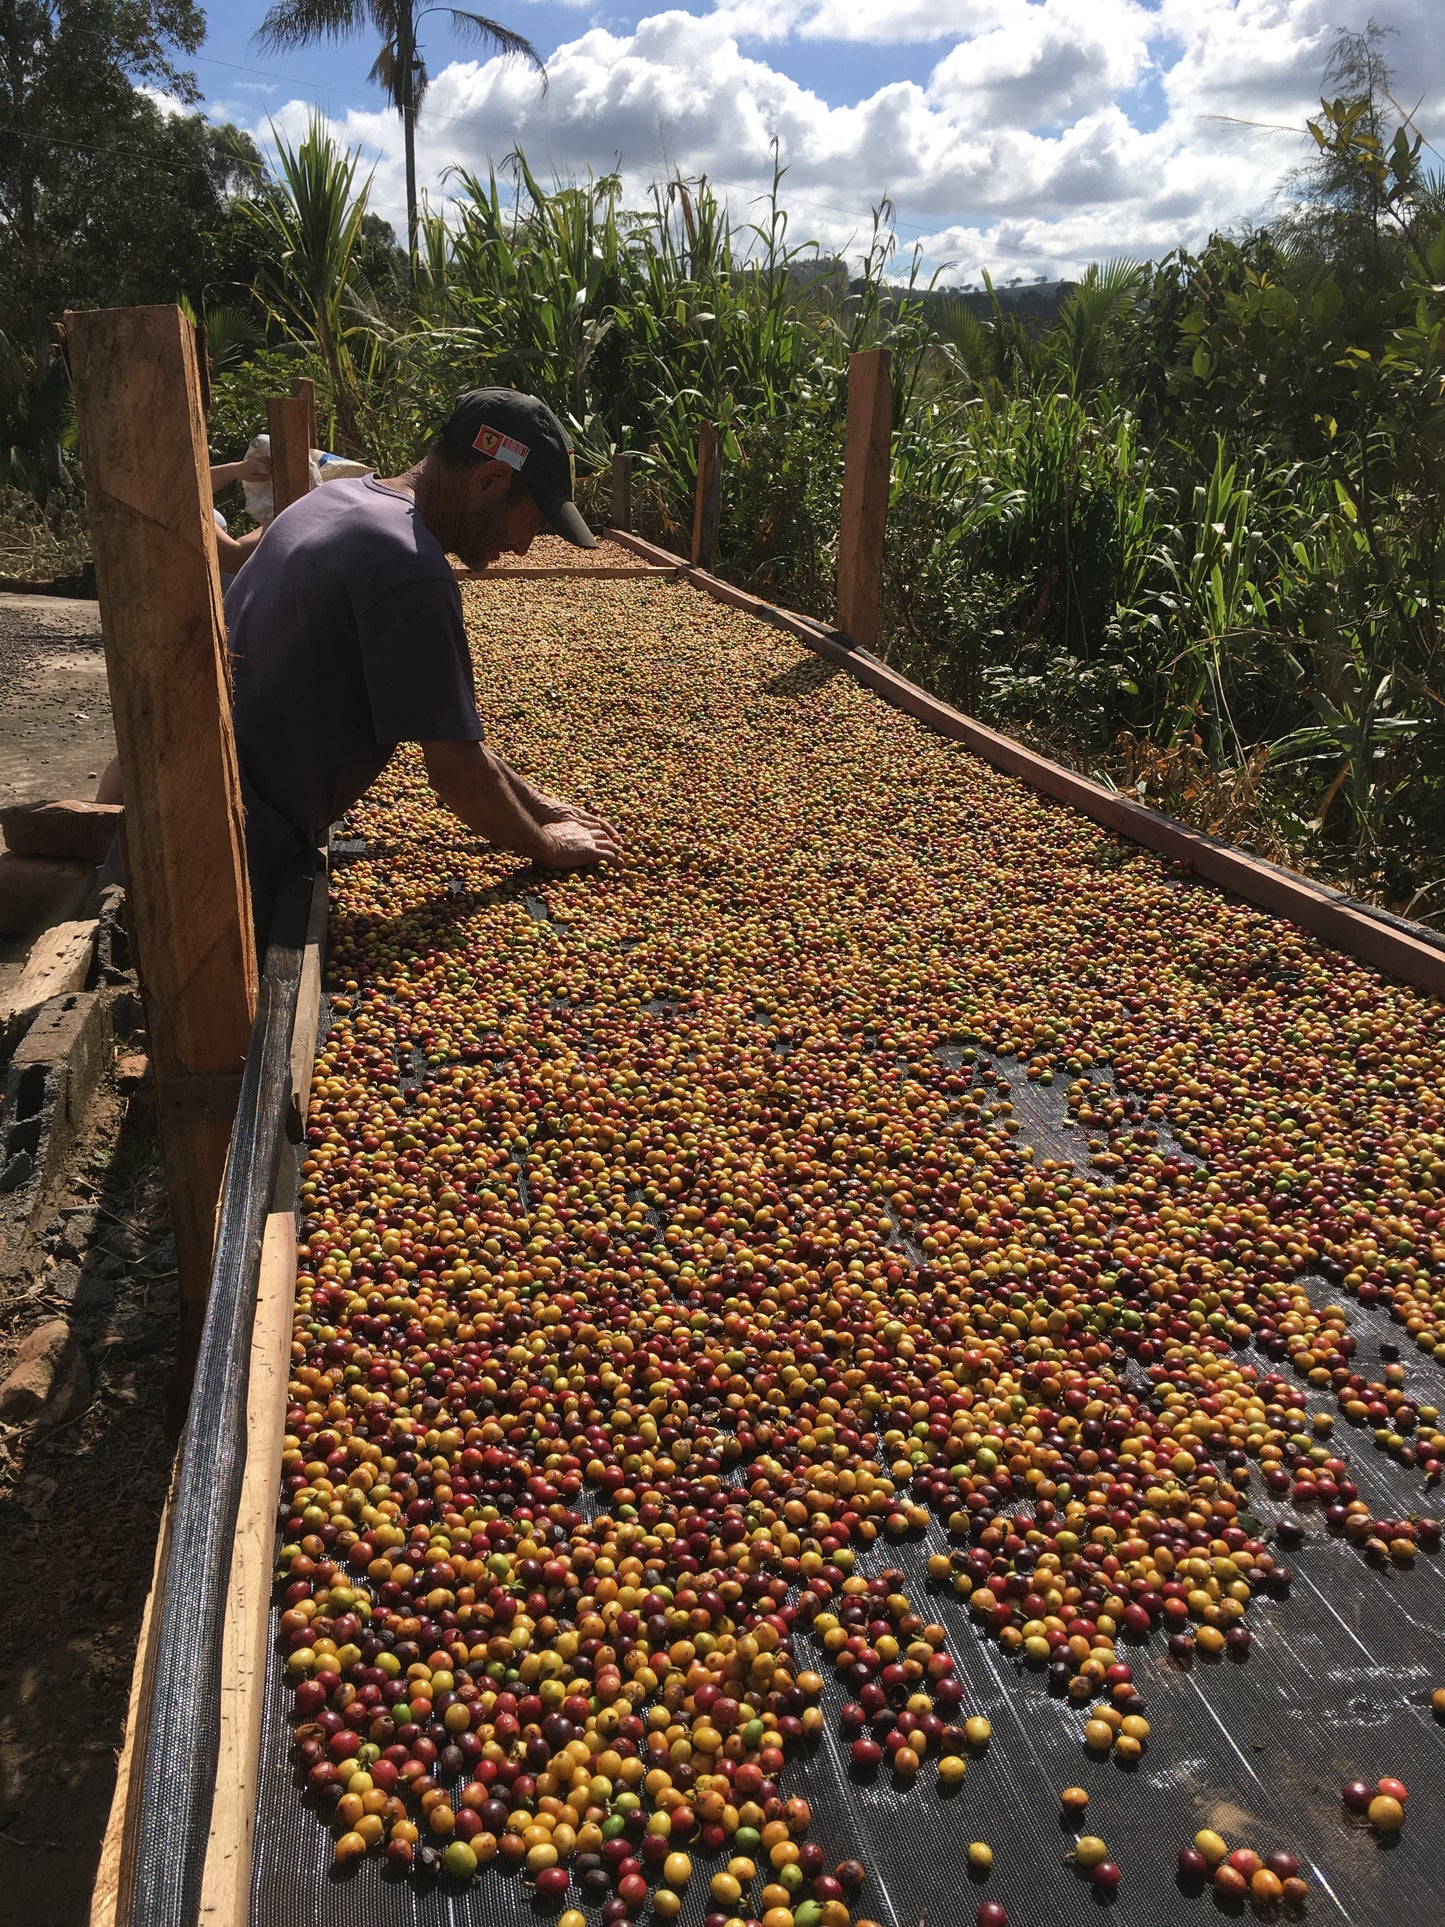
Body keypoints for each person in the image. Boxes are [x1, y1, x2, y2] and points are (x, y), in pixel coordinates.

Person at [224, 387, 622, 946]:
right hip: (238, 852)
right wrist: (548, 845)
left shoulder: (337, 502)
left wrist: (541, 804)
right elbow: (456, 773)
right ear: (489, 481)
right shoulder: (408, 566)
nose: (527, 548)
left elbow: (452, 735)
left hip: (213, 801)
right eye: (531, 522)